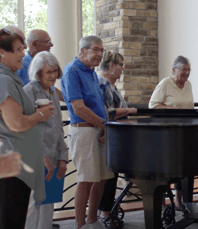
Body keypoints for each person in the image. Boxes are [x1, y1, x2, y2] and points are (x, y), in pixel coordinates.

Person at [0, 27, 54, 229]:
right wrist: (41, 115)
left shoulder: (9, 78)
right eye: (18, 50)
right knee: (11, 220)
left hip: (16, 163)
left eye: (23, 49)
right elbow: (16, 124)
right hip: (11, 165)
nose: (23, 54)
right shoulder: (4, 80)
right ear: (1, 53)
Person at [61, 35, 114, 229]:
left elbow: (99, 104)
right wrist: (104, 126)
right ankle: (80, 224)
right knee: (86, 180)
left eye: (102, 50)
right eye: (95, 50)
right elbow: (79, 109)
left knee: (101, 179)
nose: (100, 54)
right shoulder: (72, 71)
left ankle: (93, 221)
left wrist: (104, 126)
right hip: (83, 132)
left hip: (99, 130)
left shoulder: (91, 72)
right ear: (82, 50)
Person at [23, 51, 68, 229]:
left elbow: (58, 128)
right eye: (48, 72)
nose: (53, 76)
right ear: (38, 72)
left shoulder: (52, 94)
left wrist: (63, 158)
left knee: (48, 205)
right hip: (35, 158)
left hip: (54, 157)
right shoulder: (28, 92)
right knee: (33, 207)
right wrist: (43, 159)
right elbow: (27, 130)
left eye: (55, 71)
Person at [148, 55, 194, 208]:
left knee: (185, 168)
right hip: (166, 135)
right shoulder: (165, 83)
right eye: (184, 69)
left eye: (189, 69)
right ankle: (162, 202)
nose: (187, 73)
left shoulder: (188, 85)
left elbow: (190, 108)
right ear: (174, 70)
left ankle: (180, 201)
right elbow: (153, 105)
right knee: (166, 170)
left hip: (184, 133)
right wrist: (171, 109)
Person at [97, 51, 137, 221]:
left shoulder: (112, 85)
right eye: (120, 65)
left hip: (116, 136)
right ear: (111, 65)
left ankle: (107, 210)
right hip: (107, 135)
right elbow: (107, 112)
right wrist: (128, 110)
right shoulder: (103, 83)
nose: (123, 69)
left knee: (112, 175)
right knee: (107, 176)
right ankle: (104, 212)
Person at [17, 29, 64, 101]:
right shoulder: (21, 66)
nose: (51, 45)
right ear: (34, 44)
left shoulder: (45, 63)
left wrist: (71, 100)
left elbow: (50, 88)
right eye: (47, 42)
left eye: (55, 71)